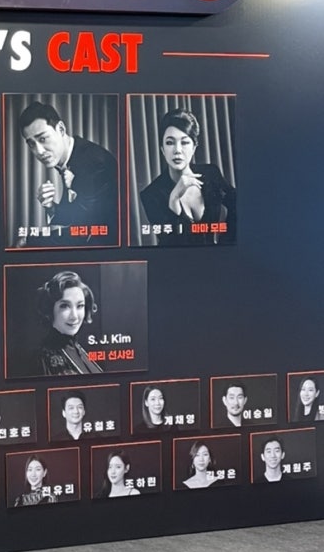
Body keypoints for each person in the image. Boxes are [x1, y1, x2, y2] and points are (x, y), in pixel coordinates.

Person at [17, 101, 118, 246]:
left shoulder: (94, 163)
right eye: (32, 144)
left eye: (43, 139)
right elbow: (74, 217)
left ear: (61, 129)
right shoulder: (74, 156)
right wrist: (50, 206)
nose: (39, 151)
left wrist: (28, 241)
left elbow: (81, 233)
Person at [140, 107, 236, 246]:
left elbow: (238, 206)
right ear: (162, 149)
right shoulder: (151, 194)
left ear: (194, 147)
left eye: (184, 142)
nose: (177, 150)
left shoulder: (210, 173)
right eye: (170, 142)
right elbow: (172, 245)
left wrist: (225, 244)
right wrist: (174, 199)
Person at [35, 271, 103, 375]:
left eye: (80, 306)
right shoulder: (42, 359)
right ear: (49, 309)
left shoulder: (79, 349)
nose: (74, 316)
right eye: (65, 306)